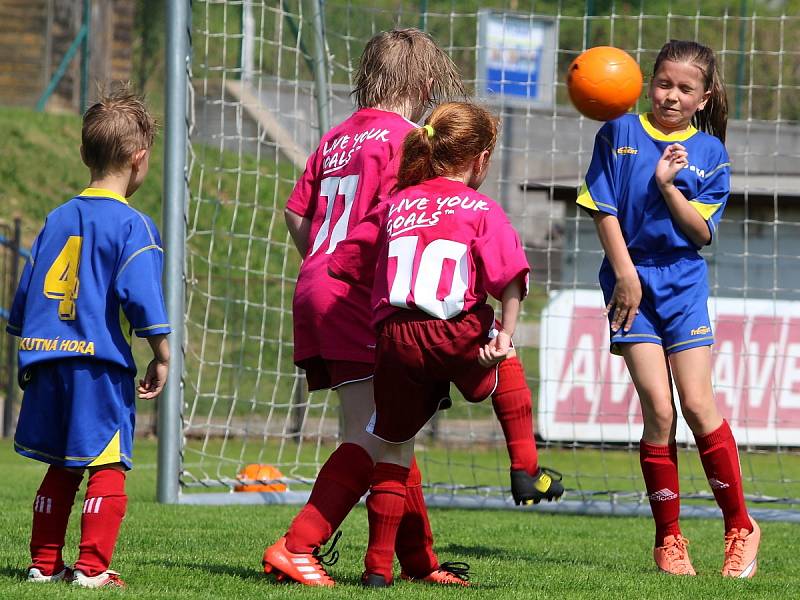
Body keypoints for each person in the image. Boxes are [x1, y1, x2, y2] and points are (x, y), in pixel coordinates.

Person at [263, 28, 561, 588]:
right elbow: (420, 221)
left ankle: (418, 562)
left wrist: (322, 263)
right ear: (426, 83)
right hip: (365, 296)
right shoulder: (408, 140)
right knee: (374, 434)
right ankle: (297, 545)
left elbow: (295, 214)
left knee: (394, 428)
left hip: (319, 285)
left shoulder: (337, 137)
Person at [328, 101, 530, 586]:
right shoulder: (481, 208)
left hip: (395, 337)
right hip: (454, 330)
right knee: (504, 362)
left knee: (394, 445)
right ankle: (525, 467)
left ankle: (377, 570)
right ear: (480, 159)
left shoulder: (396, 202)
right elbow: (511, 281)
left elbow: (345, 263)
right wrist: (504, 335)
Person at [577, 40, 759, 578]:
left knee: (699, 406)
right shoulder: (617, 132)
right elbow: (602, 210)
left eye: (685, 88)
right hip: (628, 282)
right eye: (663, 83)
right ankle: (669, 540)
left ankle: (740, 527)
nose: (671, 96)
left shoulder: (710, 153)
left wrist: (667, 186)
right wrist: (626, 276)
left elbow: (701, 232)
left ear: (704, 97)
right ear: (647, 83)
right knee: (658, 409)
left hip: (682, 286)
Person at [6, 86, 170, 589]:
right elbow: (140, 295)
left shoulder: (56, 218)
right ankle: (93, 569)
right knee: (108, 463)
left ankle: (43, 563)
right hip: (96, 367)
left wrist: (28, 339)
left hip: (45, 357)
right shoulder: (132, 225)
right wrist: (161, 351)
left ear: (83, 153)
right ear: (141, 159)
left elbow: (26, 295)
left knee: (61, 462)